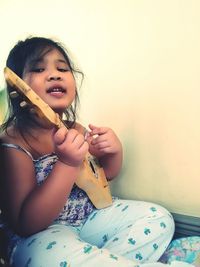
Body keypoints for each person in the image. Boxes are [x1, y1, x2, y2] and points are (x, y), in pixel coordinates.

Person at [0, 36, 193, 267]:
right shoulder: (14, 141)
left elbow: (104, 176)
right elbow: (26, 223)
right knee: (50, 256)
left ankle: (100, 260)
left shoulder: (76, 129)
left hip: (90, 218)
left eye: (63, 68)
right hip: (42, 236)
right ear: (16, 88)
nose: (55, 74)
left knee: (158, 217)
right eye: (39, 69)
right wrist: (67, 164)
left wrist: (112, 152)